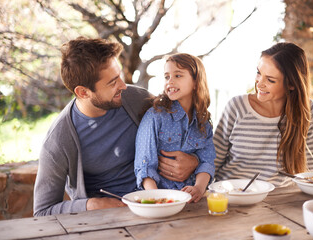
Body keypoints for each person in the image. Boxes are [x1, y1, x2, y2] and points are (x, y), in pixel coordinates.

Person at [33, 37, 198, 216]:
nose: (123, 85)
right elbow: (42, 211)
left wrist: (194, 161)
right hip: (107, 219)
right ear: (83, 92)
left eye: (119, 75)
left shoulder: (138, 100)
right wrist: (90, 205)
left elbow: (190, 128)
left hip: (161, 205)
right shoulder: (58, 140)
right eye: (112, 82)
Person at [213, 42, 313, 187]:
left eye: (270, 80)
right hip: (231, 194)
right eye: (259, 73)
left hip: (278, 201)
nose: (259, 83)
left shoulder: (310, 113)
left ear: (291, 84)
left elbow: (307, 175)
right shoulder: (237, 107)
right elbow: (212, 162)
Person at [134, 53, 215, 202]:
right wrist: (158, 199)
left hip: (192, 200)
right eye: (166, 77)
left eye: (178, 76)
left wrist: (198, 188)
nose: (170, 81)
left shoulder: (203, 122)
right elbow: (144, 167)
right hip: (160, 198)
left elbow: (207, 162)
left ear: (196, 82)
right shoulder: (155, 116)